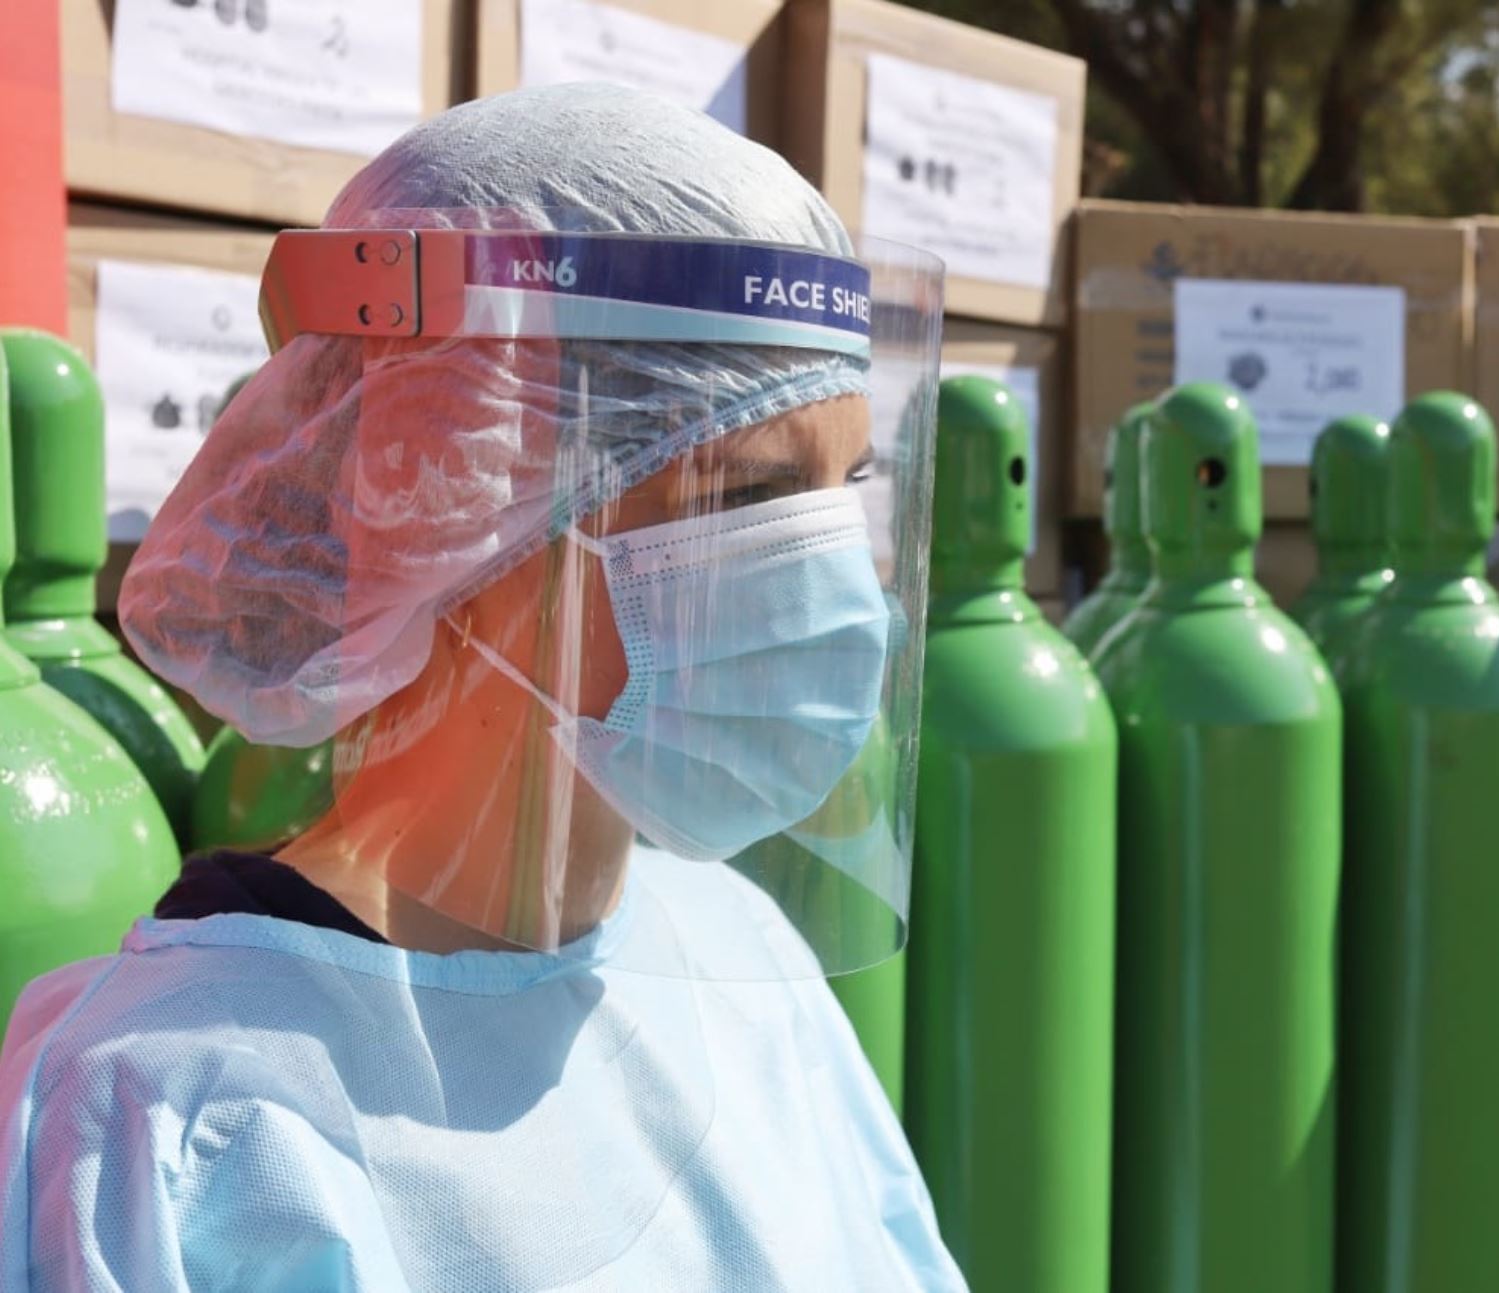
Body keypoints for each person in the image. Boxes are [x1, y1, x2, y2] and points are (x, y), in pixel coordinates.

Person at [0, 82, 963, 1291]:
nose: (837, 583)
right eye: (755, 497)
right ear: (457, 496)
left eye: (847, 496)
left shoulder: (744, 953)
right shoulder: (179, 1117)